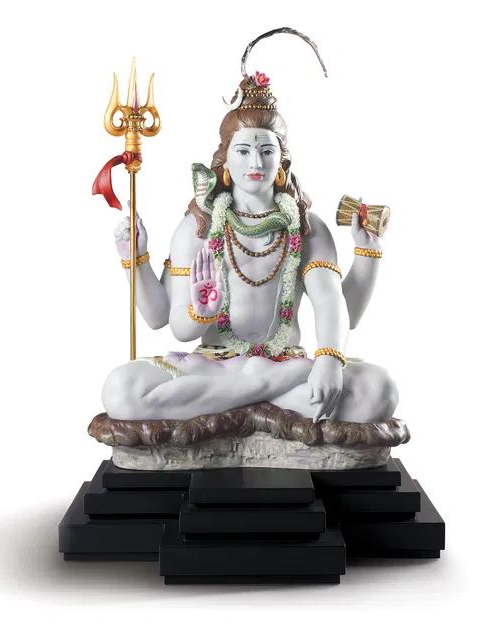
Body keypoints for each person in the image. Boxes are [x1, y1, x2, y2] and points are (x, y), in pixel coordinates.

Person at [102, 69, 398, 426]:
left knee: (379, 390)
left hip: (286, 359)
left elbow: (334, 305)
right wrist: (196, 307)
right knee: (121, 390)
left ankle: (229, 402)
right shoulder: (198, 227)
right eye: (243, 151)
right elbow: (168, 323)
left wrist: (330, 359)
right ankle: (266, 390)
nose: (255, 163)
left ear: (281, 161)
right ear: (225, 159)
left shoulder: (306, 226)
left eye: (266, 151)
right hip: (214, 365)